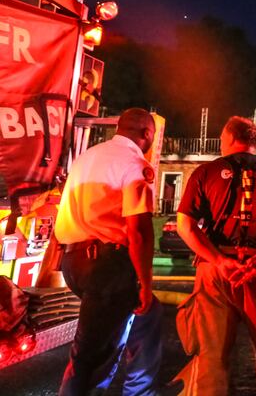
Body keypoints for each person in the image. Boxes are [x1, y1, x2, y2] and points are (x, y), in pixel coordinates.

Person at [174, 116, 256, 396]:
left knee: (211, 357)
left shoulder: (205, 173)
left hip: (215, 272)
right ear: (254, 142)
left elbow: (185, 225)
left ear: (228, 139)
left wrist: (219, 261)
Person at [55, 108, 162, 396]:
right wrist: (146, 283)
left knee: (139, 323)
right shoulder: (134, 163)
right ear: (147, 134)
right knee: (94, 358)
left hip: (73, 260)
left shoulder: (87, 157)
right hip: (107, 265)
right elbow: (139, 230)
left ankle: (141, 388)